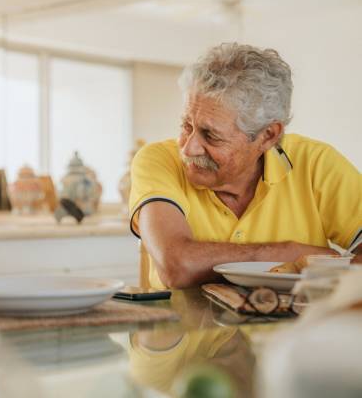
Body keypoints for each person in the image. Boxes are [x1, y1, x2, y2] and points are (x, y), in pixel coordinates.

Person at [129, 42, 361, 289]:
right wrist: (291, 253)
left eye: (211, 135)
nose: (188, 148)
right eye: (187, 126)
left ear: (268, 136)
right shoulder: (157, 160)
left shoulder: (316, 163)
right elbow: (178, 265)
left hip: (295, 326)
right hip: (182, 327)